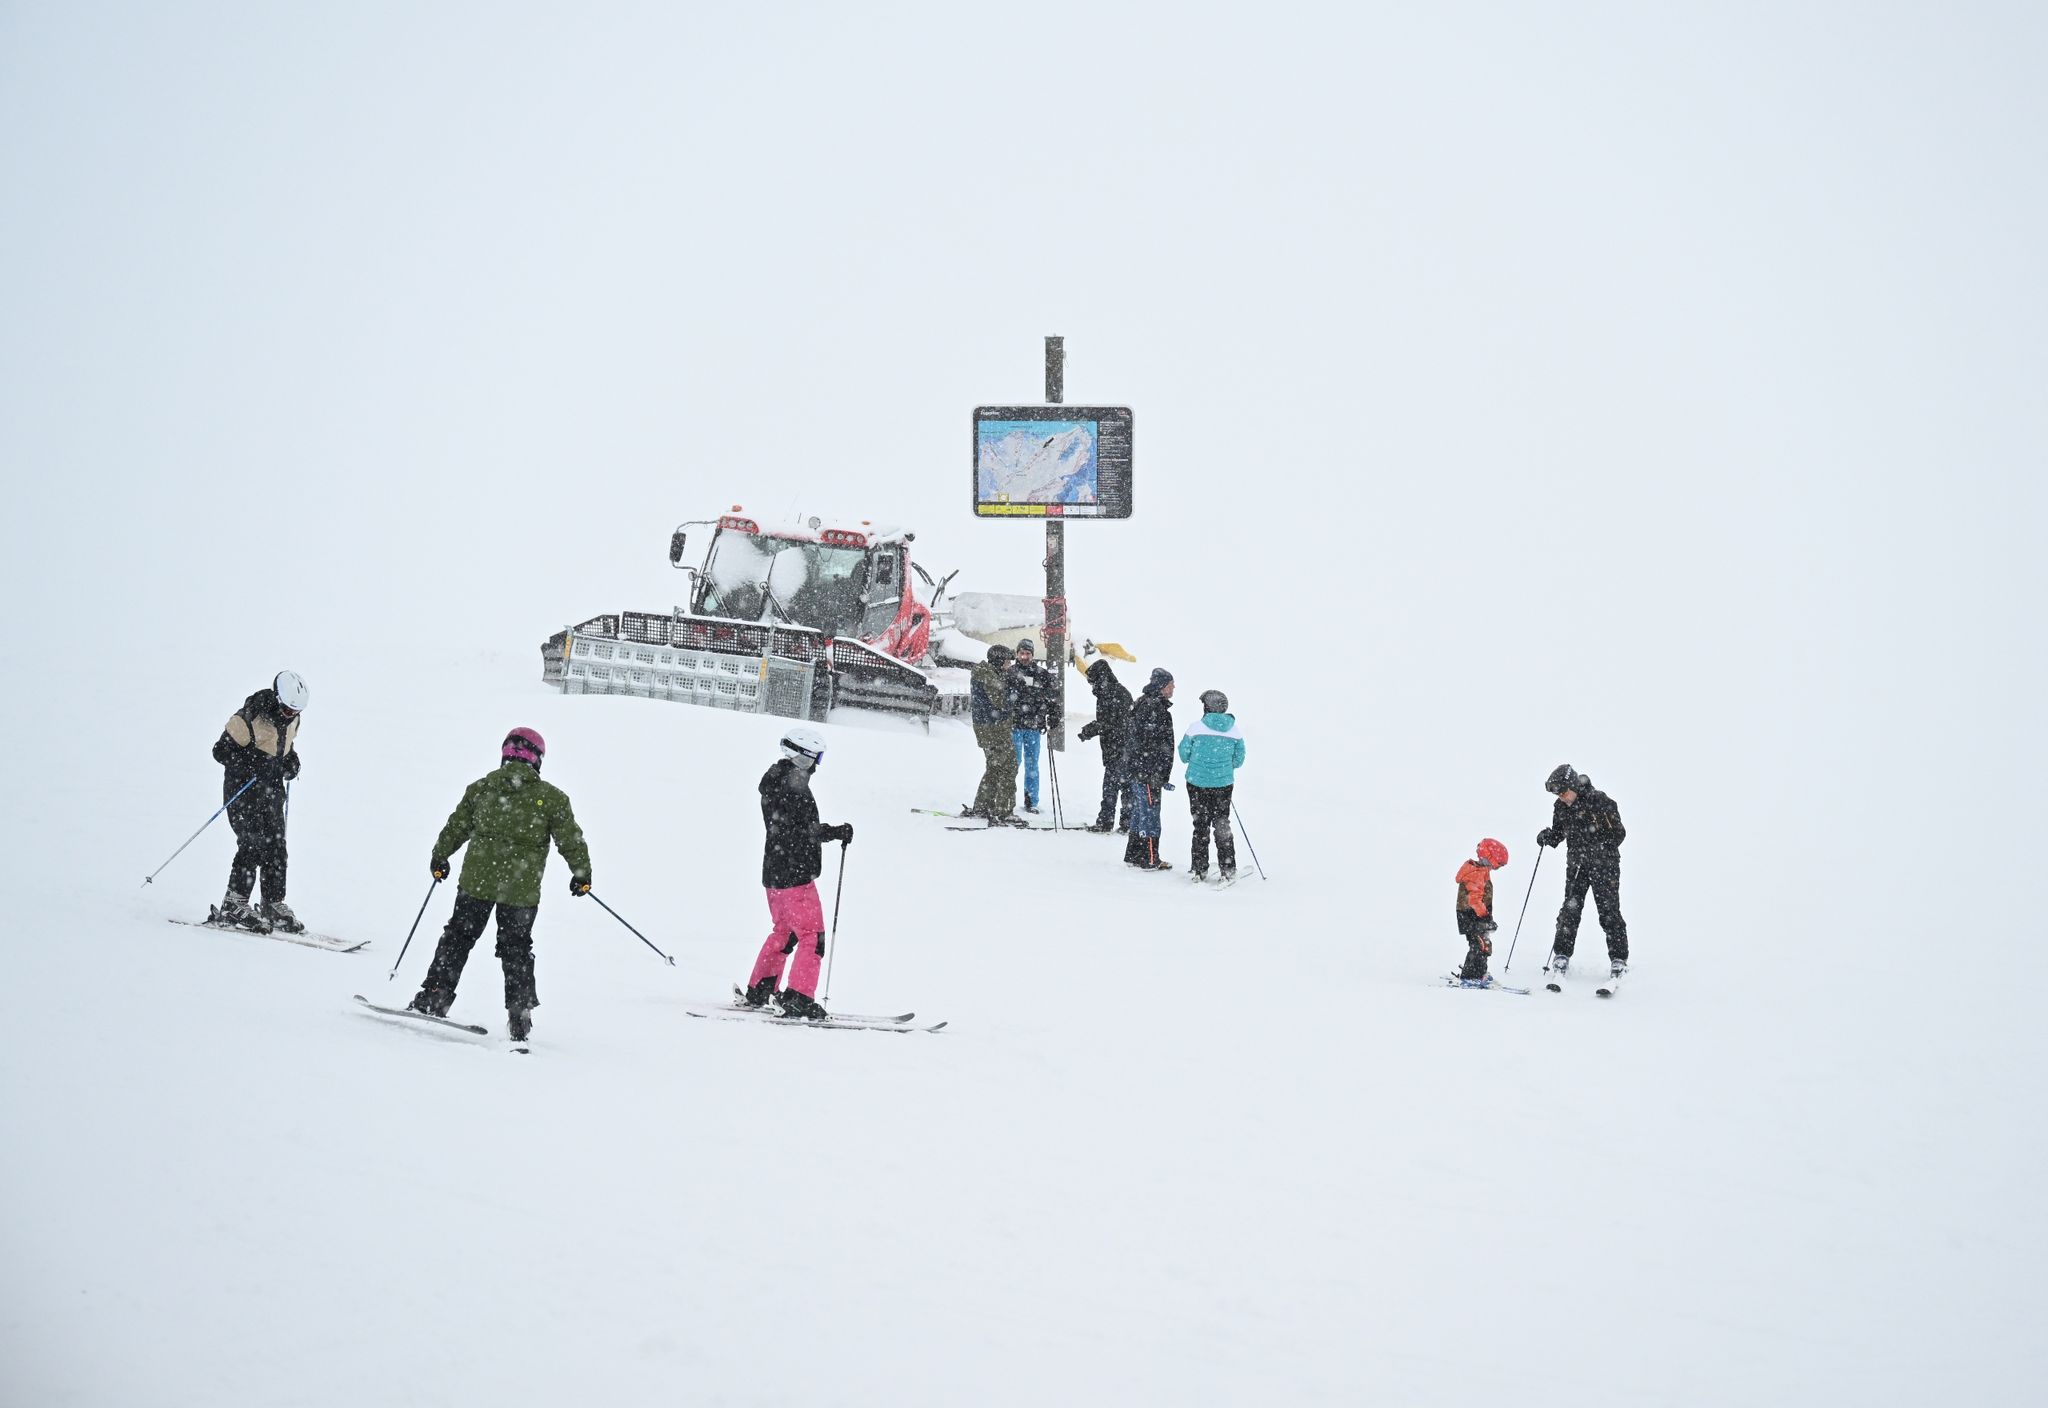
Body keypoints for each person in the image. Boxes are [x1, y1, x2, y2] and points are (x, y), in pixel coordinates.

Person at [410, 728, 591, 1042]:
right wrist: (581, 875)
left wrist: (440, 856)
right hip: (519, 893)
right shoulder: (552, 799)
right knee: (517, 949)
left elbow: (457, 825)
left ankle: (435, 996)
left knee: (458, 938)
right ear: (538, 760)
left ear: (505, 754)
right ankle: (519, 1014)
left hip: (476, 883)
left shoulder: (482, 788)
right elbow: (571, 840)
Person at [740, 727, 854, 1021]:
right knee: (811, 937)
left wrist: (824, 832)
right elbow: (802, 830)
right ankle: (799, 997)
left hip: (775, 872)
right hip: (795, 873)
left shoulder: (775, 779)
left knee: (785, 932)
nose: (817, 764)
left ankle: (761, 989)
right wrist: (833, 832)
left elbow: (791, 827)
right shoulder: (793, 783)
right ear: (802, 757)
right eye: (815, 757)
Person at [210, 670, 310, 933]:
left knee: (276, 845)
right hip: (244, 790)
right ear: (276, 698)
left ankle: (272, 903)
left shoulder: (293, 721)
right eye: (287, 710)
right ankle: (234, 902)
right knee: (251, 843)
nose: (291, 715)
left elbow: (283, 747)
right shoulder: (248, 718)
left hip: (273, 791)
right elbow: (220, 751)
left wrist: (290, 762)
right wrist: (255, 764)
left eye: (295, 711)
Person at [1535, 764, 1628, 982]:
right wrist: (1548, 836)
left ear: (1574, 785)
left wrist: (1598, 848)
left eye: (1564, 792)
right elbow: (1558, 834)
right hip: (1577, 866)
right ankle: (1561, 954)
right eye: (1558, 794)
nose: (1562, 797)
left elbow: (1619, 834)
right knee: (1570, 909)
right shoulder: (1561, 807)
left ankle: (1619, 958)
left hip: (1604, 866)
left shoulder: (1600, 801)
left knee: (1608, 910)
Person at [1177, 689, 1246, 883]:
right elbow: (1239, 760)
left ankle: (1199, 869)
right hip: (1223, 785)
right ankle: (1228, 869)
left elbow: (1183, 755)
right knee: (1222, 824)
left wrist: (1201, 763)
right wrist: (1222, 768)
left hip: (1196, 784)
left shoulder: (1195, 728)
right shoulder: (1234, 731)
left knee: (1200, 825)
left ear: (1207, 707)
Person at [1122, 668, 1177, 870]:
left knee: (1139, 813)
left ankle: (1133, 855)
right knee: (1150, 815)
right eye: (1171, 684)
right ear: (1162, 686)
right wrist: (1154, 772)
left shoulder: (1143, 703)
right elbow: (1147, 744)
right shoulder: (1154, 709)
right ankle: (1150, 857)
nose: (1173, 688)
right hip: (1147, 772)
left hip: (1140, 771)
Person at [965, 645, 1023, 825]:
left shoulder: (987, 673)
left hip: (989, 727)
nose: (1009, 666)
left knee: (995, 767)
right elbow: (1001, 702)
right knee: (1008, 765)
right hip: (993, 728)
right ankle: (1004, 810)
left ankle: (983, 806)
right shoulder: (989, 677)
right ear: (999, 662)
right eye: (1006, 662)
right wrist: (1013, 690)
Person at [1077, 660, 1134, 832]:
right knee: (1121, 788)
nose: (1091, 685)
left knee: (1114, 788)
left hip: (1121, 749)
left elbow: (1116, 724)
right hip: (1116, 748)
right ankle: (1123, 823)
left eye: (1092, 681)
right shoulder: (1109, 692)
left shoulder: (1115, 694)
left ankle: (1110, 823)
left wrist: (1093, 729)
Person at [1006, 638, 1057, 814]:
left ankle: (1031, 801)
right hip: (1014, 726)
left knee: (1032, 765)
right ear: (1017, 654)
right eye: (1021, 653)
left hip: (1034, 727)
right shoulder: (1010, 673)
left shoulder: (1042, 674)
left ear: (1033, 655)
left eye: (1027, 653)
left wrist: (1054, 715)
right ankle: (1007, 799)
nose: (1024, 656)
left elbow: (1052, 698)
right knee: (1014, 763)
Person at [1454, 838, 1511, 981]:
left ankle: (1479, 972)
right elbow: (1474, 900)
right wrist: (1484, 916)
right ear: (1489, 858)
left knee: (1482, 943)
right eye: (1497, 865)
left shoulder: (1481, 870)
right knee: (1480, 944)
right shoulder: (1476, 874)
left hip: (1473, 914)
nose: (1496, 869)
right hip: (1471, 914)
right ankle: (1471, 975)